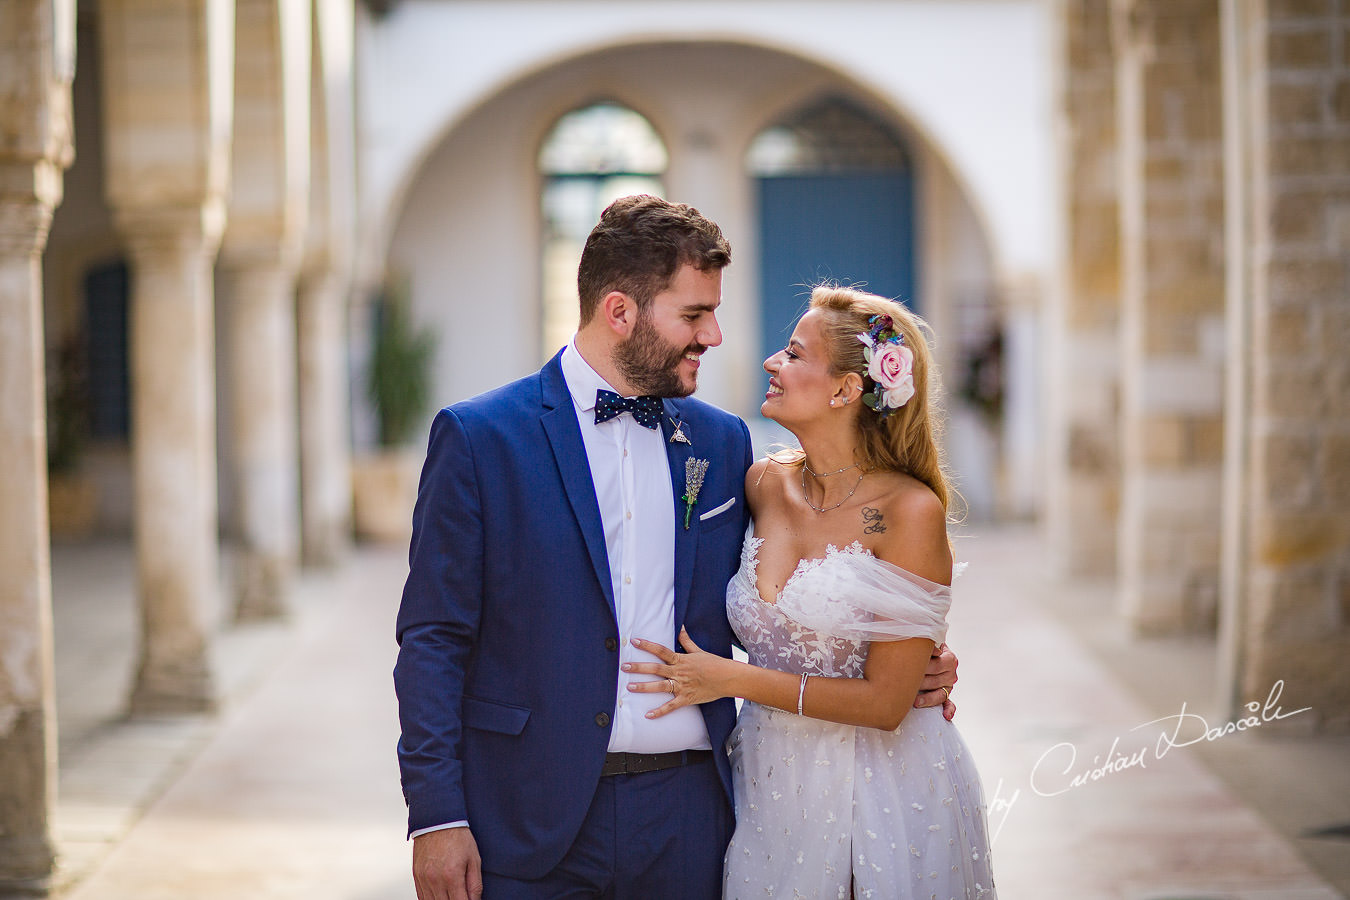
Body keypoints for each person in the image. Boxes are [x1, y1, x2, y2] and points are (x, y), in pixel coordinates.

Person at [394, 196, 959, 900]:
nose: (716, 336)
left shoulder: (725, 446)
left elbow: (815, 586)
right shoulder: (480, 439)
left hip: (697, 818)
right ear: (621, 311)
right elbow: (432, 638)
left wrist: (907, 667)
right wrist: (437, 815)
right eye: (694, 315)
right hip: (528, 813)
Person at [626, 285, 996, 899]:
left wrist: (730, 679)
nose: (773, 362)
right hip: (768, 781)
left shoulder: (909, 511)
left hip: (881, 782)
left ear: (847, 389)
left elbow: (886, 702)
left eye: (794, 354)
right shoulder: (762, 484)